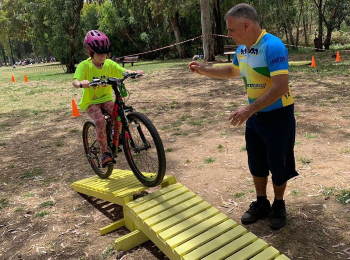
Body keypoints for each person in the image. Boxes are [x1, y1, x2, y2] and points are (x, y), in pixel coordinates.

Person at [189, 3, 298, 230]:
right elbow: (231, 71)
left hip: (279, 115)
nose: (229, 33)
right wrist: (203, 69)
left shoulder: (273, 46)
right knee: (256, 162)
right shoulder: (242, 50)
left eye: (231, 29)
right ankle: (261, 202)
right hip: (256, 115)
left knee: (279, 164)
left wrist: (249, 109)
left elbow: (280, 86)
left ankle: (279, 204)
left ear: (246, 25)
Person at [72, 30, 142, 167]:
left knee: (119, 115)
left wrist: (133, 73)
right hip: (91, 102)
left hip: (105, 99)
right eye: (99, 53)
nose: (103, 56)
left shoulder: (109, 63)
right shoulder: (84, 66)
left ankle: (117, 138)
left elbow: (123, 71)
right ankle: (105, 152)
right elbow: (75, 81)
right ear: (90, 52)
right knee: (100, 121)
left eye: (105, 53)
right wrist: (80, 83)